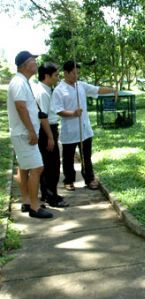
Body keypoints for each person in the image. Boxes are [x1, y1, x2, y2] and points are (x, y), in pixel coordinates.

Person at [52, 60, 116, 191]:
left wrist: (112, 89)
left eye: (78, 73)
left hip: (85, 130)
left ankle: (89, 179)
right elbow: (58, 110)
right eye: (74, 73)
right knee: (68, 158)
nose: (77, 76)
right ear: (66, 73)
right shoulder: (59, 90)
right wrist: (73, 113)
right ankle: (69, 180)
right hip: (70, 131)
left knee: (86, 157)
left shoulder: (81, 85)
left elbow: (96, 89)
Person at [7, 51, 54, 218]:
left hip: (22, 133)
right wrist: (32, 132)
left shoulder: (23, 82)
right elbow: (21, 107)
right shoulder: (19, 82)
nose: (36, 62)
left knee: (25, 168)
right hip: (24, 134)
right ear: (25, 64)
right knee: (37, 168)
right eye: (33, 60)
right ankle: (34, 207)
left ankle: (27, 201)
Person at [35, 62, 69, 207]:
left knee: (48, 163)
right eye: (56, 75)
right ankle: (51, 197)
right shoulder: (42, 92)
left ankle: (48, 193)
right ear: (47, 76)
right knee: (52, 165)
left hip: (49, 129)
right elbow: (43, 117)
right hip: (47, 130)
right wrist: (50, 137)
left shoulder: (47, 89)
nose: (58, 77)